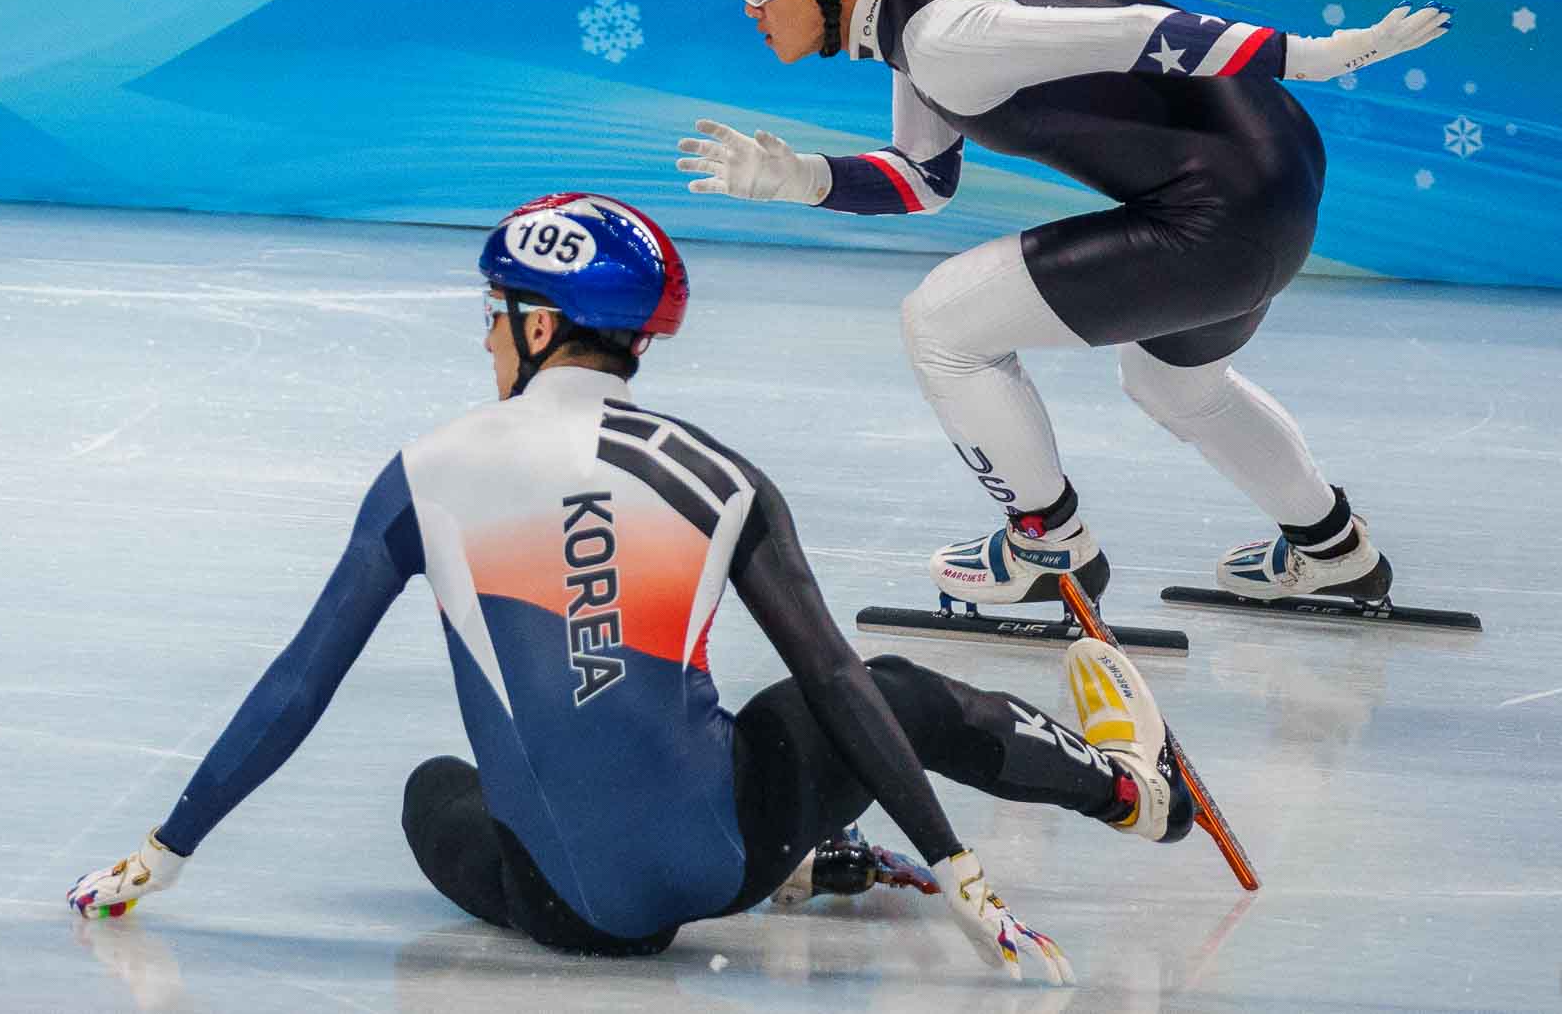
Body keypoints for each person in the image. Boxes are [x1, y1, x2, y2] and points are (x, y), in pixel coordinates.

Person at [66, 192, 1196, 984]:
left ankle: (816, 864)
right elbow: (844, 684)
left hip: (563, 911)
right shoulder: (717, 471)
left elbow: (300, 682)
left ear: (539, 324)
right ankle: (1133, 795)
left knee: (432, 791)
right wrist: (962, 874)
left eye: (496, 315)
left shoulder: (427, 471)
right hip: (724, 855)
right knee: (890, 686)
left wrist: (166, 849)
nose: (488, 342)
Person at [679, 0, 1452, 613]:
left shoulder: (941, 36)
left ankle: (1048, 547)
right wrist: (793, 177)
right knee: (1175, 385)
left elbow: (1140, 32)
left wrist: (1317, 56)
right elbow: (922, 178)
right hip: (1276, 188)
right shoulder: (919, 4)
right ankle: (1333, 549)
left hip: (1221, 217)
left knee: (941, 326)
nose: (752, 8)